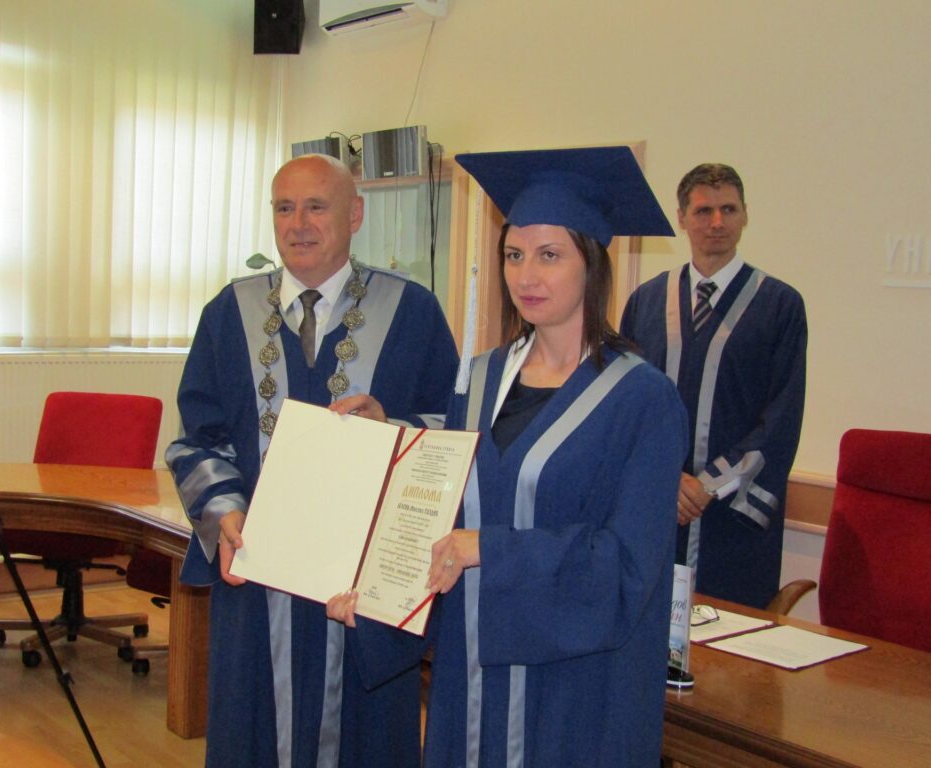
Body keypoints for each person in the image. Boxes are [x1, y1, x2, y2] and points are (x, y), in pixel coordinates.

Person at [166, 153, 459, 768]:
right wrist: (224, 513)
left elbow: (447, 436)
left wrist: (390, 427)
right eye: (284, 208)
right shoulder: (229, 313)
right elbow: (198, 437)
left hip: (361, 593)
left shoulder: (412, 312)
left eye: (316, 207)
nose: (298, 224)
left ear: (355, 215)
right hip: (256, 578)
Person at [420, 147, 689, 767]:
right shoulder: (476, 380)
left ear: (591, 264)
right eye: (514, 255)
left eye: (549, 255)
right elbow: (440, 514)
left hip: (576, 690)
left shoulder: (642, 400)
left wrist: (491, 549)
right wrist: (377, 585)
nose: (525, 277)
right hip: (471, 675)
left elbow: (628, 565)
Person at [620, 163, 807, 609]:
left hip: (731, 514)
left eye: (729, 209)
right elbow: (624, 404)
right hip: (656, 504)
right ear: (682, 218)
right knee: (647, 625)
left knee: (728, 637)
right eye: (704, 211)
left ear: (745, 215)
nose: (717, 222)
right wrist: (666, 477)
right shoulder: (646, 301)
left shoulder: (780, 305)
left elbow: (782, 415)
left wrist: (708, 485)